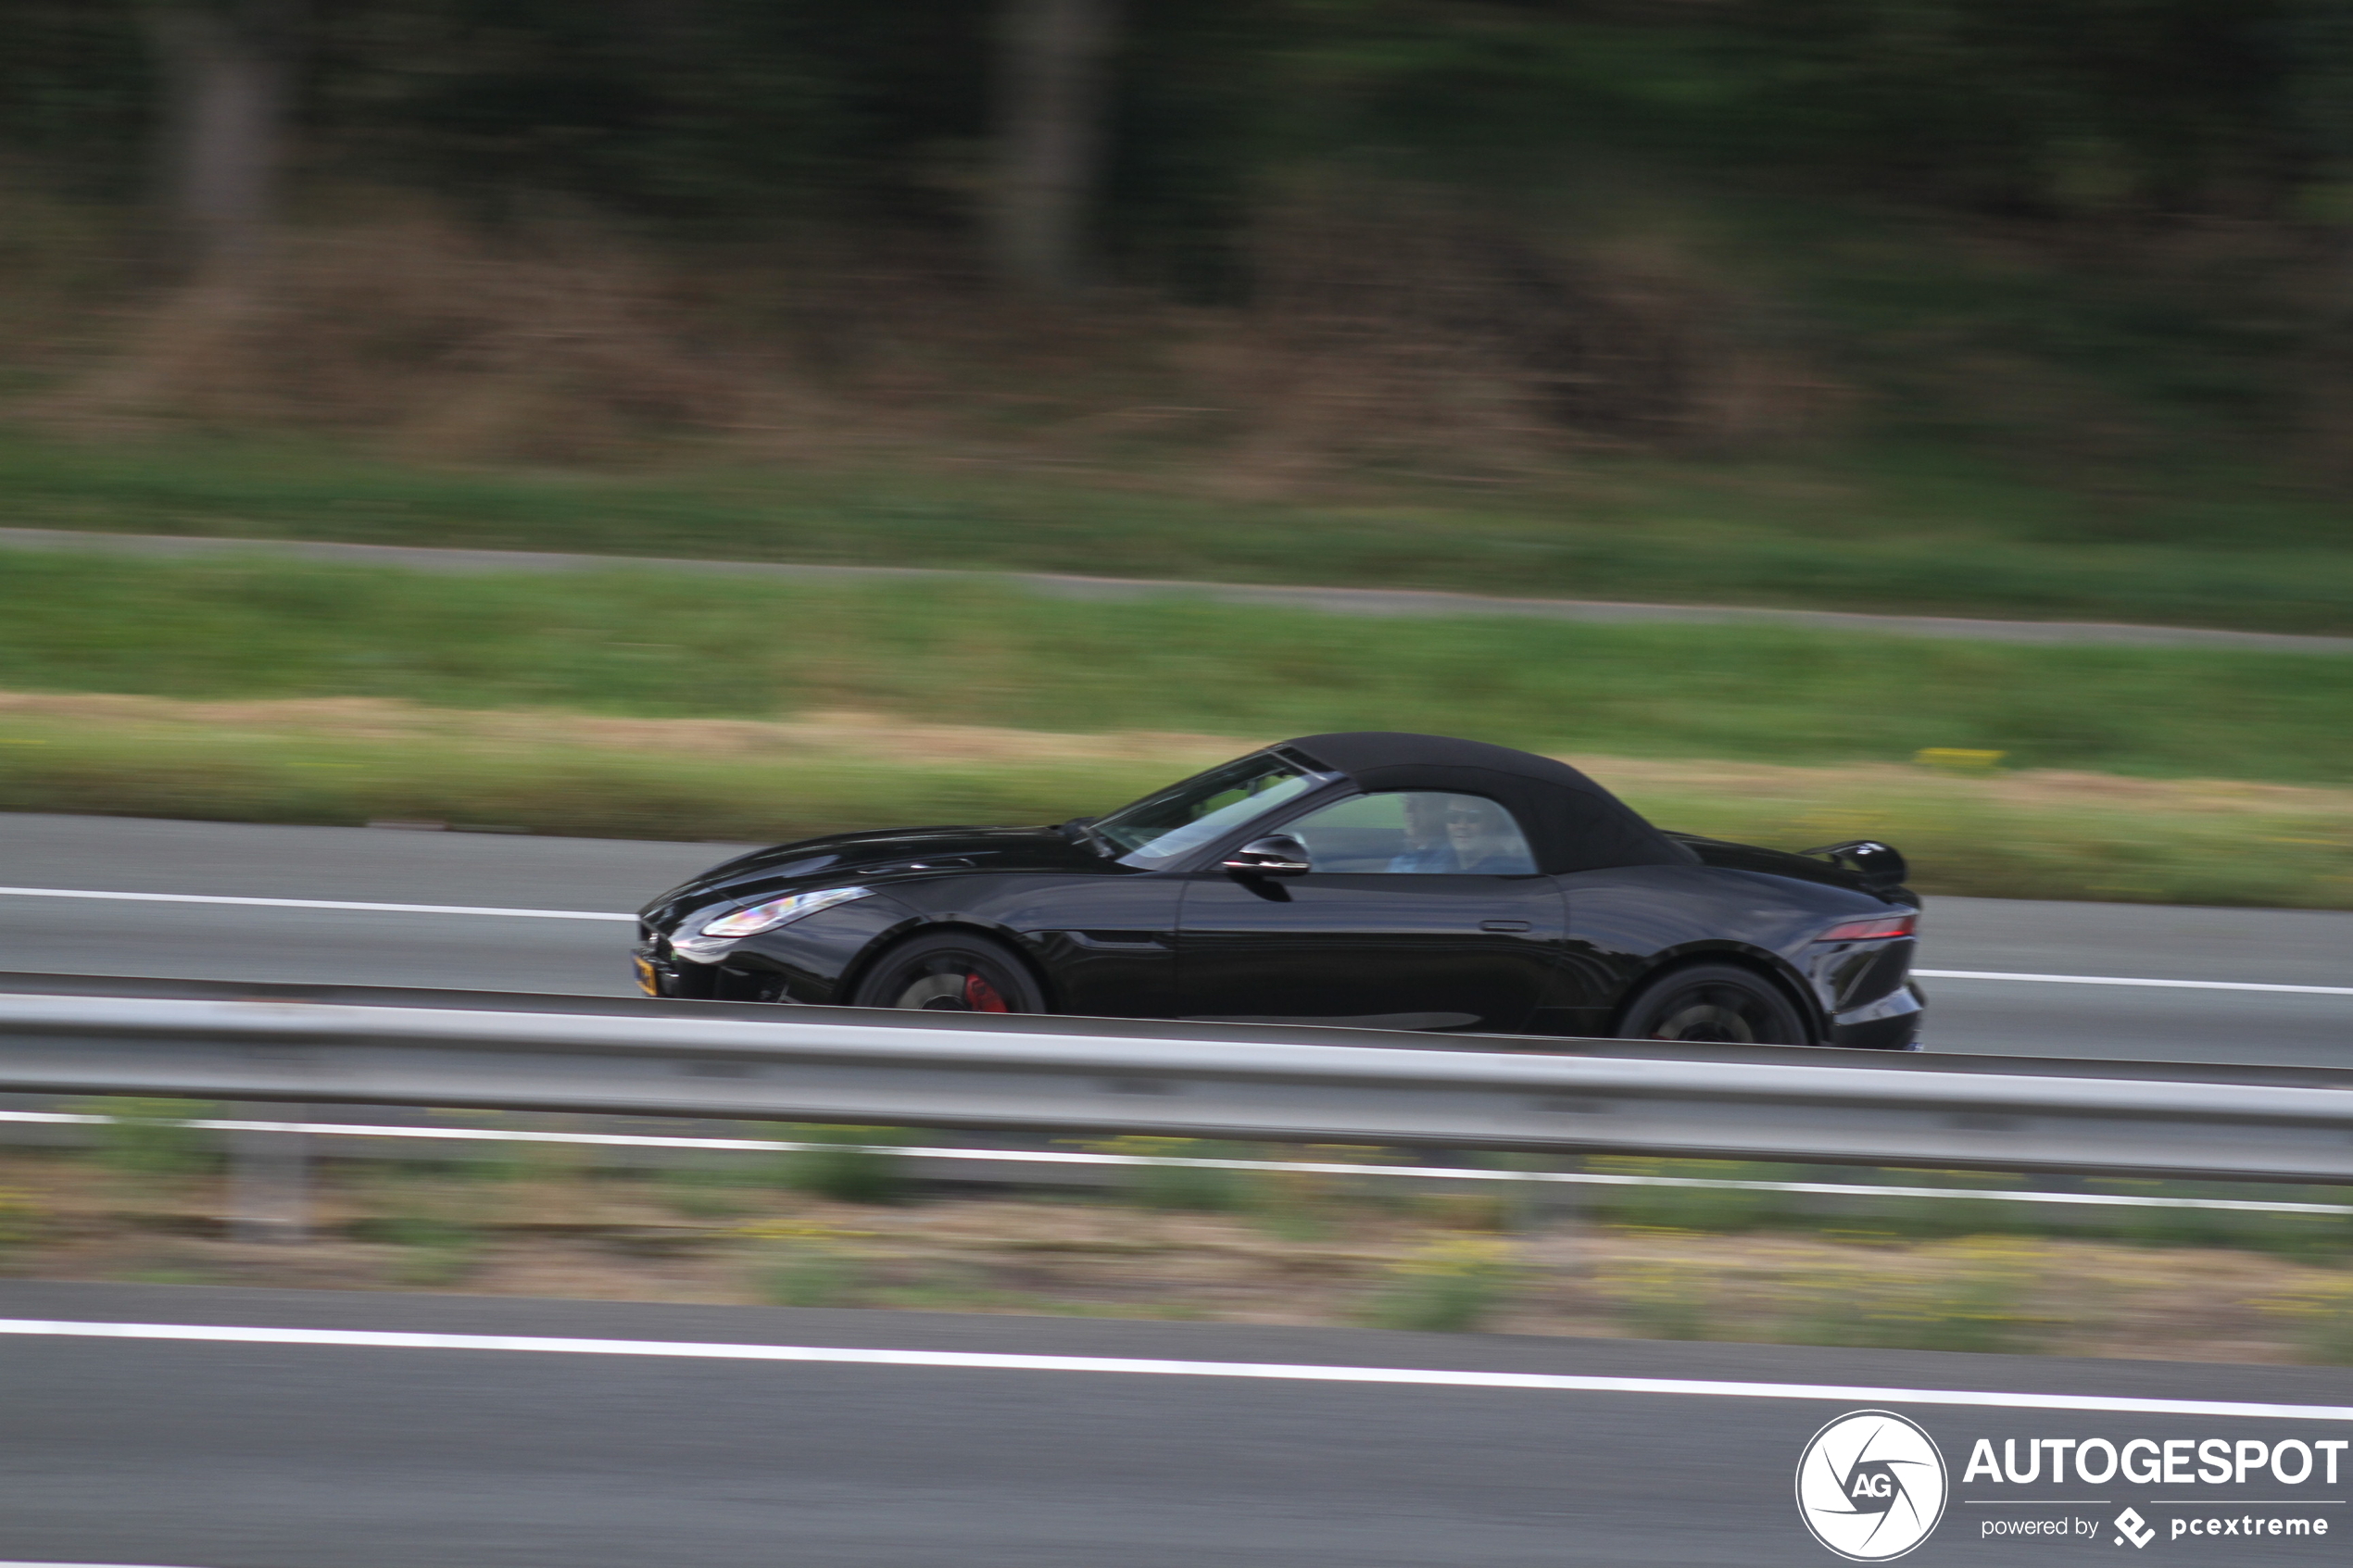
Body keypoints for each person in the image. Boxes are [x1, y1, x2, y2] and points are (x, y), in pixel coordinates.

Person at [1444, 796, 1534, 874]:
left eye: (1472, 817)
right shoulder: (1437, 859)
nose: (1461, 826)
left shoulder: (1511, 870)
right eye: (1453, 817)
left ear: (1493, 822)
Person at [1387, 793, 1459, 872]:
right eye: (1406, 803)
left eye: (1416, 803)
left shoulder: (1445, 858)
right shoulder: (1406, 852)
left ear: (1435, 813)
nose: (1408, 810)